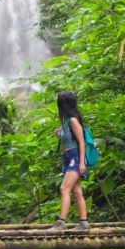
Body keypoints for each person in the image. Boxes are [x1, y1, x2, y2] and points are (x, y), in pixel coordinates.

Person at [49, 91, 90, 231]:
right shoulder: (65, 121)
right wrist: (58, 133)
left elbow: (81, 142)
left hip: (75, 157)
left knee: (64, 189)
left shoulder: (73, 120)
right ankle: (84, 223)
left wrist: (82, 162)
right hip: (67, 158)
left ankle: (61, 223)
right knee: (77, 190)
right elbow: (65, 135)